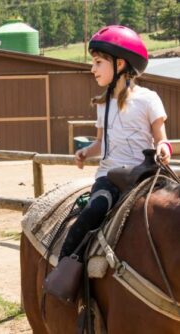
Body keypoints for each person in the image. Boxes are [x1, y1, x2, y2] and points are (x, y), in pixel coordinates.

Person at [58, 25, 172, 260]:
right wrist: (86, 152)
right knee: (94, 211)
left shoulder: (149, 99)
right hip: (110, 178)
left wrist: (163, 148)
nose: (92, 69)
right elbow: (102, 143)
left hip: (144, 176)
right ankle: (64, 269)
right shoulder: (103, 104)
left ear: (120, 64)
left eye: (98, 62)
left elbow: (162, 139)